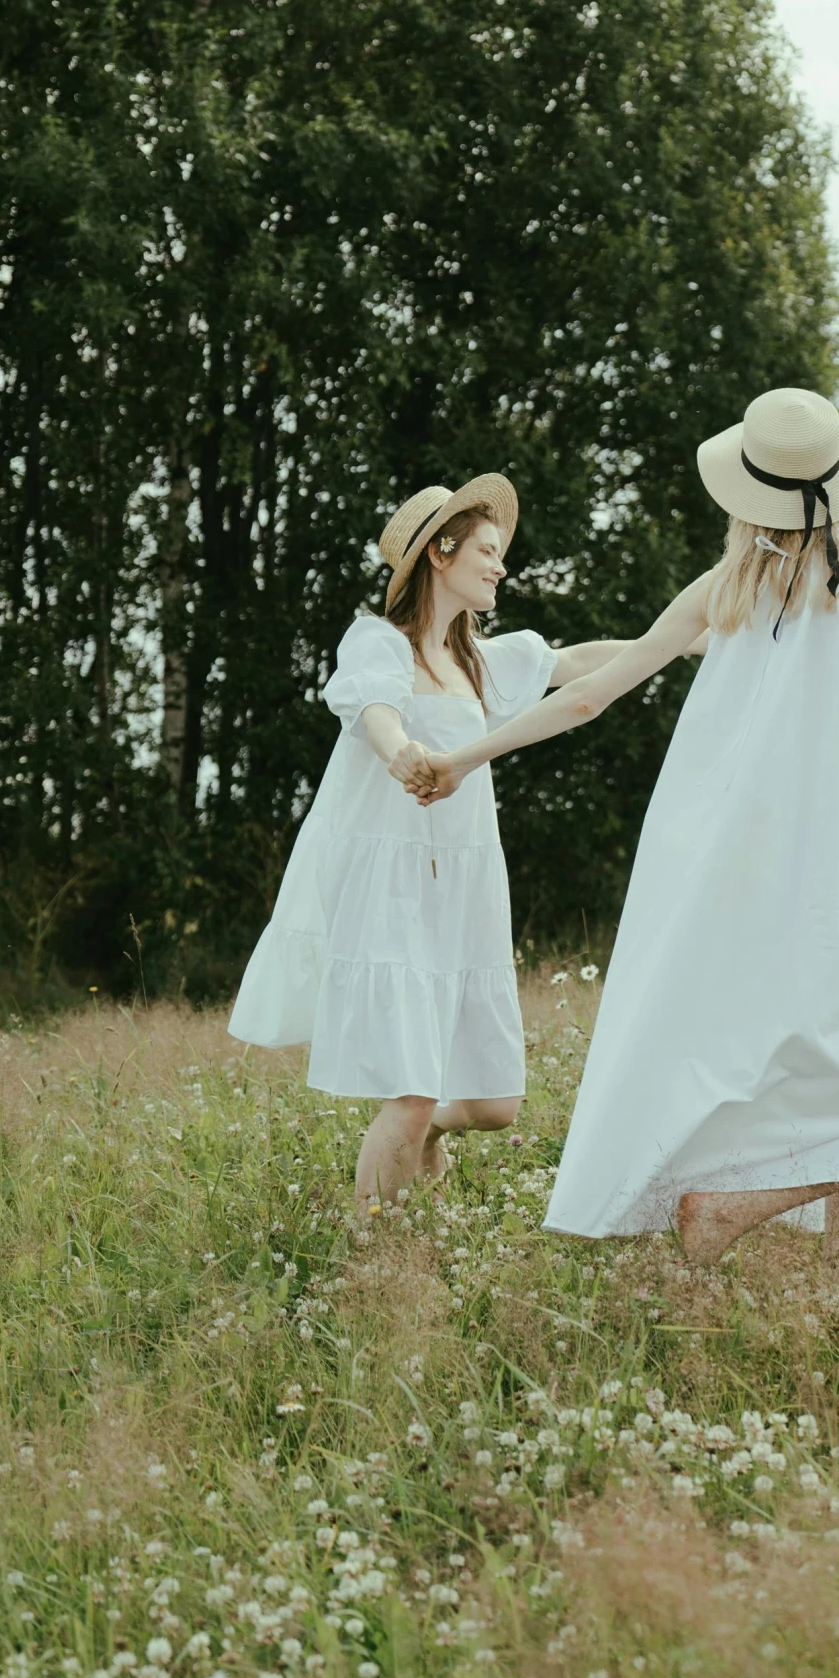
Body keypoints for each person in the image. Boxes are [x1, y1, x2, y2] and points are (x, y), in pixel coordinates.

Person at [400, 389, 839, 1282]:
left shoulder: (722, 590)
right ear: (838, 486)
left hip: (730, 867)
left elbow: (585, 696)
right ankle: (741, 1207)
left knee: (835, 1061)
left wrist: (466, 755)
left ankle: (822, 1293)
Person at [228, 476, 643, 1214]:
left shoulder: (480, 660)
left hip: (464, 886)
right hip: (392, 885)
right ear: (440, 552)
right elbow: (375, 708)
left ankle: (423, 1137)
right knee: (413, 1092)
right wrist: (401, 752)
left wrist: (688, 636)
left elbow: (577, 662)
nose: (499, 565)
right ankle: (372, 1264)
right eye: (487, 550)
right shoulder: (377, 641)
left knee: (493, 1105)